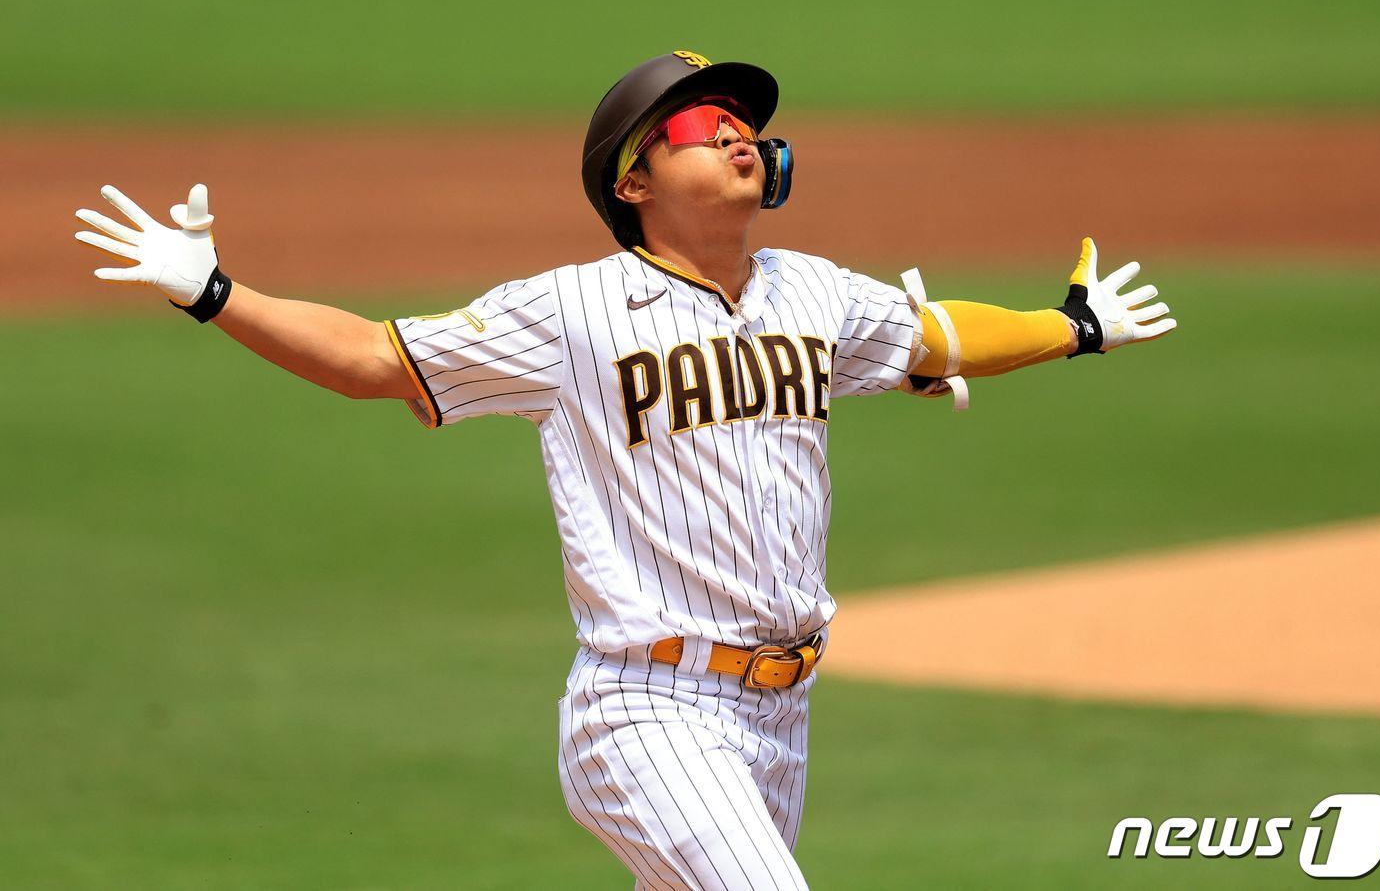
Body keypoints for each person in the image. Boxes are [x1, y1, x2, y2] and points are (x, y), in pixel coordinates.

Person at [73, 50, 1175, 890]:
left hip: (779, 721)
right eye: (705, 126)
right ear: (633, 177)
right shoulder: (569, 313)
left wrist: (1067, 325)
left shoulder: (815, 291)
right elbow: (376, 358)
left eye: (749, 128)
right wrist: (213, 292)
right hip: (648, 709)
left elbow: (935, 334)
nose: (740, 137)